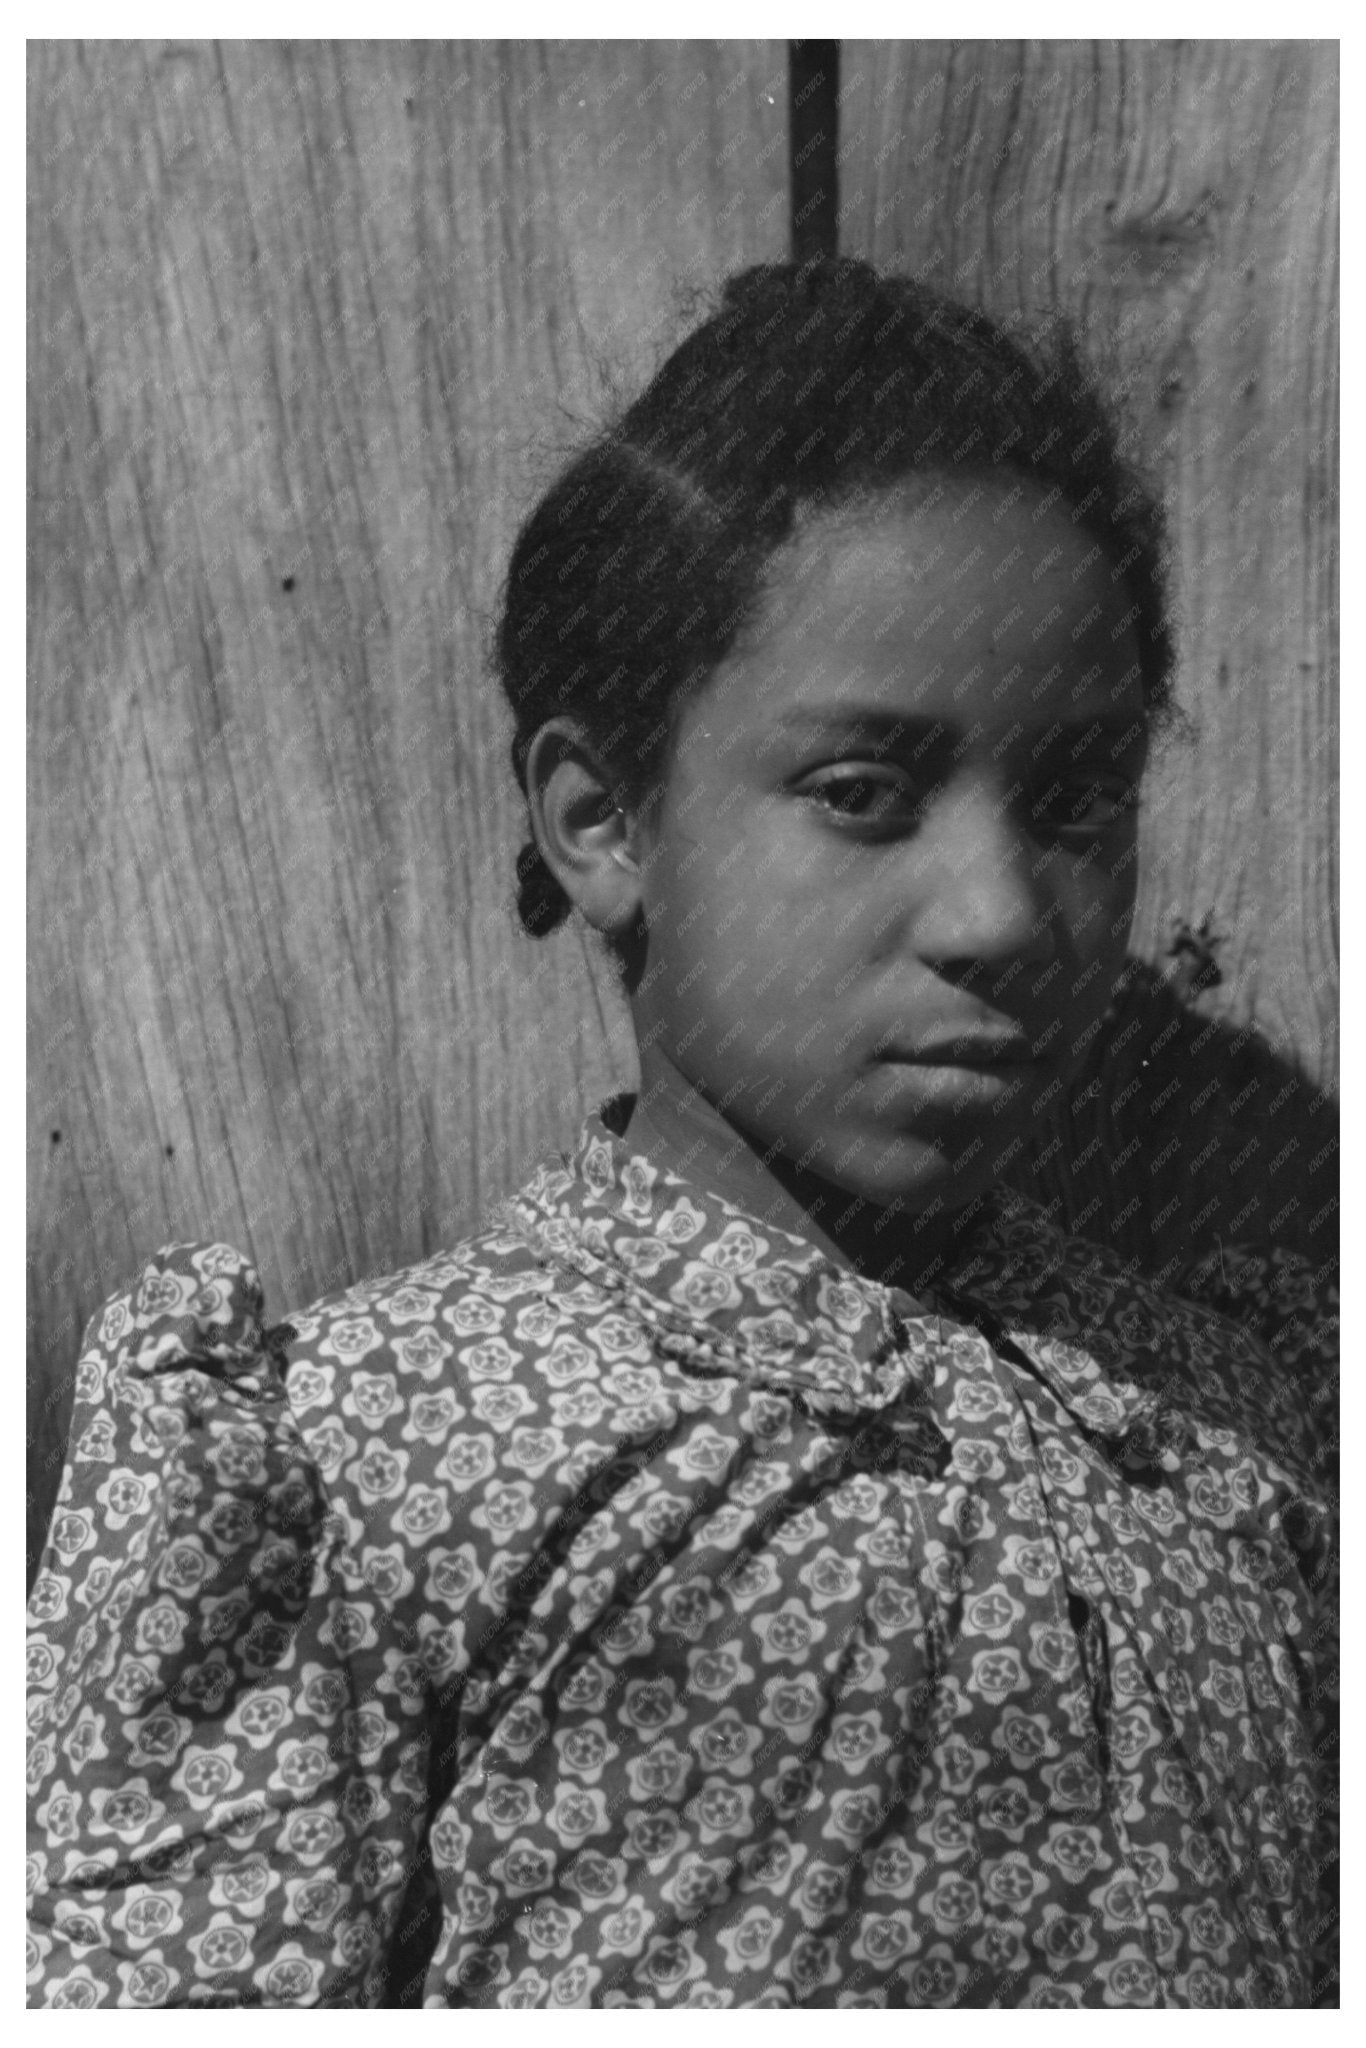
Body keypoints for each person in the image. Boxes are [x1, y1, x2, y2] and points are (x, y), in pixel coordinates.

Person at [26, 259, 1337, 2009]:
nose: (1001, 908)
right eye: (862, 794)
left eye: (1077, 797)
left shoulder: (1232, 1433)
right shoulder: (377, 1458)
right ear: (602, 820)